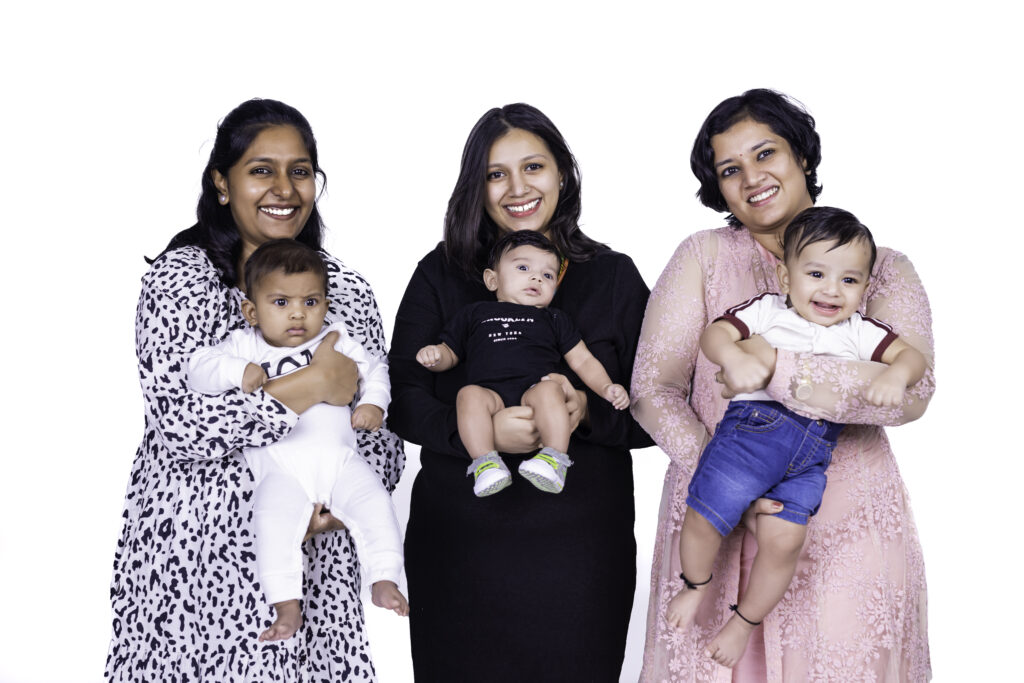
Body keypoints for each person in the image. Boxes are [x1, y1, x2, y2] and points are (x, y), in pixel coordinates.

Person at [632, 89, 934, 681]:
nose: (752, 178)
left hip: (844, 529)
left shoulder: (881, 267)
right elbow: (652, 389)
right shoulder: (703, 256)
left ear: (802, 156)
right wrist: (726, 478)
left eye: (765, 153)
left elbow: (913, 391)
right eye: (729, 169)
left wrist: (776, 366)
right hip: (716, 508)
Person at [106, 99, 404, 682]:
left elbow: (384, 436)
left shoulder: (345, 290)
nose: (284, 189)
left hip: (315, 567)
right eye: (262, 170)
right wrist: (309, 385)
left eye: (300, 171)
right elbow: (182, 424)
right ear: (222, 182)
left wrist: (334, 503)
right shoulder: (181, 280)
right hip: (198, 560)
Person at [389, 103, 652, 680]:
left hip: (580, 557)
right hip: (459, 552)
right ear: (475, 186)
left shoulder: (612, 276)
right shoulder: (440, 274)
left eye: (533, 166)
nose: (517, 188)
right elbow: (402, 397)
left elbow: (659, 408)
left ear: (562, 173)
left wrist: (586, 414)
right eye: (495, 173)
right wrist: (476, 435)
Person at [666, 207, 927, 668]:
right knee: (705, 513)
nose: (832, 289)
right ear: (786, 278)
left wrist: (895, 375)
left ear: (865, 288)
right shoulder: (768, 311)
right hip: (751, 435)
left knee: (785, 541)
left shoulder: (860, 332)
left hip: (812, 454)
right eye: (816, 274)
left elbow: (913, 359)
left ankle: (742, 623)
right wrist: (734, 357)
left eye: (849, 280)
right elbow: (715, 334)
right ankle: (695, 585)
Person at [187, 239, 409, 643]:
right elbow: (198, 369)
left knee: (375, 504)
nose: (297, 313)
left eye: (310, 302)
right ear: (251, 312)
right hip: (280, 471)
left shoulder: (334, 339)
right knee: (272, 524)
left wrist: (373, 403)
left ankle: (384, 578)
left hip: (341, 462)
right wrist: (237, 372)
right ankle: (286, 605)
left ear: (325, 304)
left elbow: (375, 369)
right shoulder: (243, 345)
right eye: (280, 302)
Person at [416, 230, 629, 497]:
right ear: (492, 279)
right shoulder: (474, 314)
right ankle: (486, 464)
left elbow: (583, 360)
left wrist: (606, 387)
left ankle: (553, 460)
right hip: (491, 395)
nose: (537, 277)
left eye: (548, 275)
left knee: (551, 390)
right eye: (523, 268)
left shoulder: (554, 319)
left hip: (534, 390)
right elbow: (450, 353)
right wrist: (435, 356)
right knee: (468, 395)